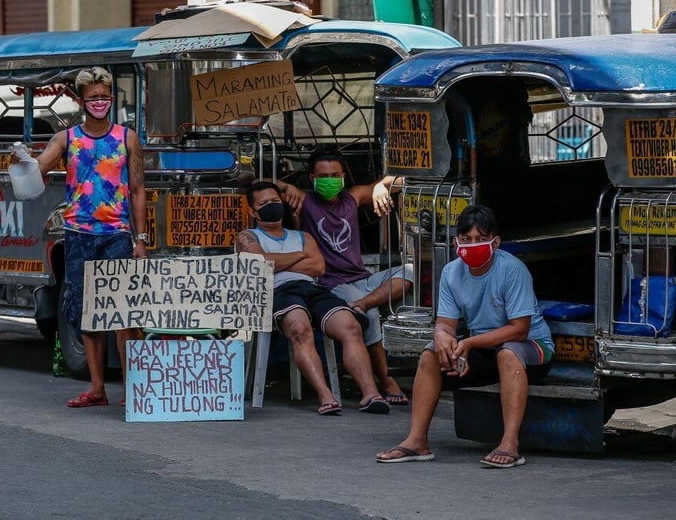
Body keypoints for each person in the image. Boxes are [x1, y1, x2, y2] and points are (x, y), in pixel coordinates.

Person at [375, 204, 553, 468]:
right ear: (456, 241)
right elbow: (445, 324)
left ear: (496, 242)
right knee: (430, 354)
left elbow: (519, 329)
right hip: (482, 346)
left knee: (507, 352)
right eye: (466, 239)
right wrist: (442, 337)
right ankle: (416, 441)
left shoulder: (512, 270)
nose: (472, 245)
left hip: (531, 348)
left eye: (480, 240)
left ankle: (510, 443)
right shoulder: (451, 272)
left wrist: (467, 343)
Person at [12, 66, 145, 409]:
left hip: (116, 233)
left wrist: (141, 239)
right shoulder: (66, 138)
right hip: (78, 234)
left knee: (122, 313)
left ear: (111, 98)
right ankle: (97, 387)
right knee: (86, 312)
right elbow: (35, 171)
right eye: (93, 97)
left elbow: (138, 190)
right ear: (82, 101)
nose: (99, 102)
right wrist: (21, 160)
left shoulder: (127, 137)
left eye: (104, 96)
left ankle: (132, 388)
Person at [235, 180, 390, 416]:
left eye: (275, 201)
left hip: (313, 290)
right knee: (300, 328)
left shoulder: (303, 235)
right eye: (264, 203)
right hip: (279, 292)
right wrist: (298, 256)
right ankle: (325, 395)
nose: (272, 206)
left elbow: (318, 267)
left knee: (351, 327)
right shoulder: (248, 236)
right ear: (252, 211)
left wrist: (277, 261)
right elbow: (259, 264)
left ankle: (370, 394)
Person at [277, 147, 411, 405]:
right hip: (333, 283)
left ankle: (364, 302)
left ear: (343, 176)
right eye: (323, 176)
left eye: (335, 175)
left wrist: (382, 186)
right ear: (313, 178)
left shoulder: (352, 197)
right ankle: (386, 380)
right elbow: (255, 182)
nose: (330, 180)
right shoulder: (306, 201)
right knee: (370, 315)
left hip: (362, 278)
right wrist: (286, 186)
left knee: (409, 273)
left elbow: (400, 181)